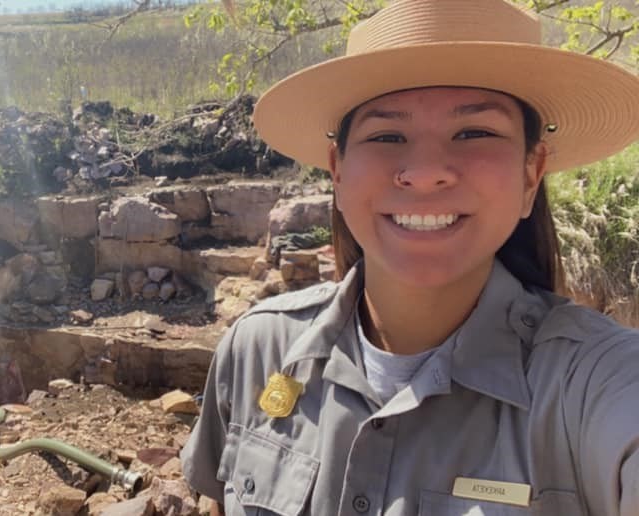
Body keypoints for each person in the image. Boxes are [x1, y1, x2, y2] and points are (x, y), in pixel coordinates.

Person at [179, 0, 639, 515]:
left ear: (531, 173)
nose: (424, 172)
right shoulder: (258, 349)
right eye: (387, 136)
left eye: (475, 133)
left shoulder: (600, 384)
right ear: (337, 170)